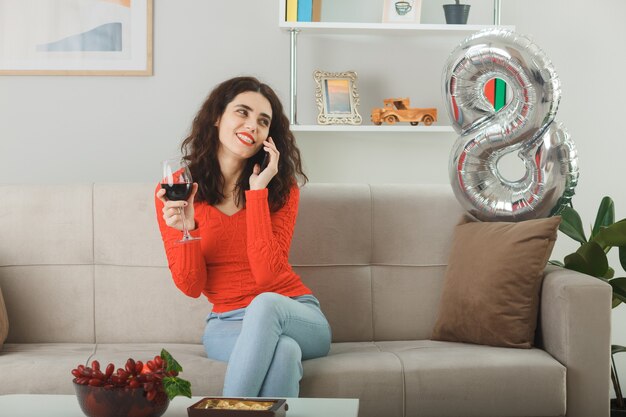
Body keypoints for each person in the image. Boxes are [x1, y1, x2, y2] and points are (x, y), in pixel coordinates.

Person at [155, 76, 331, 398]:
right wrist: (189, 229)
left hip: (294, 311)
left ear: (268, 136)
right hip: (226, 324)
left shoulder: (279, 190)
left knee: (265, 305)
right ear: (217, 117)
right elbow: (191, 287)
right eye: (243, 112)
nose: (253, 125)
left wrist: (257, 194)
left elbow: (268, 278)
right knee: (286, 352)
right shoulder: (176, 190)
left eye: (263, 121)